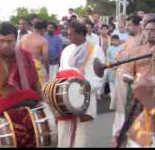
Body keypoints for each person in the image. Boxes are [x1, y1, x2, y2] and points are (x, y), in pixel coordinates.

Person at [58, 21, 105, 147]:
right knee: (64, 134)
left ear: (81, 34)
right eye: (68, 35)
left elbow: (99, 76)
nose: (69, 37)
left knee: (82, 138)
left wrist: (80, 88)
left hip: (85, 99)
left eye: (71, 35)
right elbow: (61, 71)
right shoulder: (67, 50)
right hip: (65, 100)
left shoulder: (95, 50)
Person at [111, 15, 143, 144]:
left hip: (132, 81)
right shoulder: (129, 39)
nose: (127, 27)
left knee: (129, 113)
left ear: (137, 25)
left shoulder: (143, 41)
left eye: (129, 25)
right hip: (121, 78)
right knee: (120, 114)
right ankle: (118, 138)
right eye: (127, 25)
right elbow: (117, 55)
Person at [19, 20, 49, 86]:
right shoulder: (43, 40)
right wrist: (47, 70)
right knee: (40, 89)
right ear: (43, 29)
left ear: (33, 28)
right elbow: (45, 57)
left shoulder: (23, 37)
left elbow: (18, 50)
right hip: (36, 67)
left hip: (24, 66)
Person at [106, 35, 122, 114]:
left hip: (119, 68)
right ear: (111, 41)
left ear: (119, 41)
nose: (115, 42)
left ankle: (118, 103)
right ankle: (113, 104)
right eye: (113, 40)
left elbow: (123, 57)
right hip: (111, 70)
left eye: (116, 40)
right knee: (112, 88)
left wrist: (118, 64)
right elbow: (108, 58)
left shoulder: (122, 48)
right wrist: (112, 64)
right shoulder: (109, 49)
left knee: (118, 88)